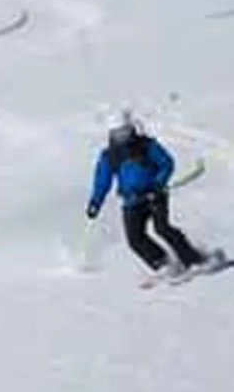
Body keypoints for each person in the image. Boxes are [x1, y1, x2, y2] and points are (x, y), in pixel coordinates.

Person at [87, 114, 211, 281]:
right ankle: (164, 264)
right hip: (131, 201)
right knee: (134, 239)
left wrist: (158, 183)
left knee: (162, 228)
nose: (121, 137)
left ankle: (193, 259)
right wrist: (96, 202)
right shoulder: (109, 156)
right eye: (117, 134)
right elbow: (102, 181)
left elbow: (167, 163)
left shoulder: (146, 145)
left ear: (132, 130)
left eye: (124, 132)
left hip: (154, 195)